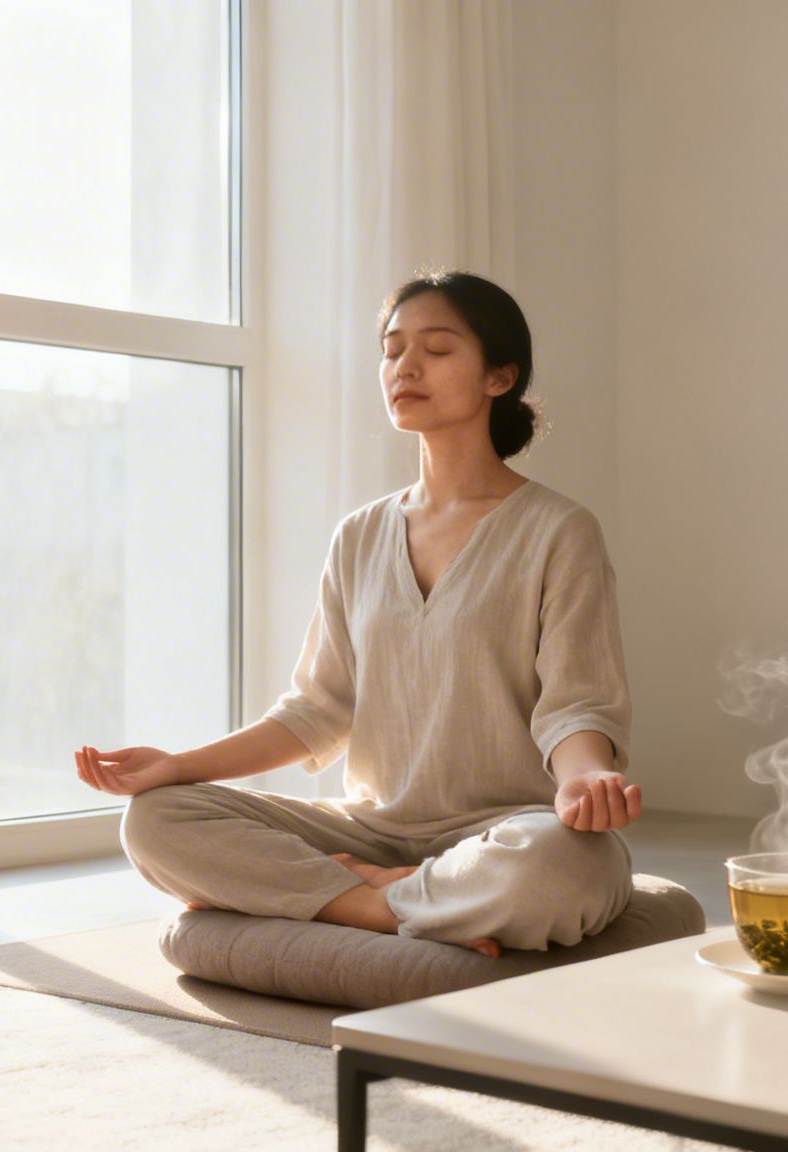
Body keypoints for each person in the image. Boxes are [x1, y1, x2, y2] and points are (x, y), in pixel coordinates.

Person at [73, 270, 640, 959]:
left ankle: (352, 898)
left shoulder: (558, 530)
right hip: (368, 831)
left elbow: (575, 704)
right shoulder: (360, 535)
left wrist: (583, 779)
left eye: (436, 349)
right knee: (156, 820)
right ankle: (379, 904)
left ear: (499, 376)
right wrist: (177, 766)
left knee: (577, 862)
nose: (406, 366)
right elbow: (315, 712)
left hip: (506, 829)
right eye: (393, 349)